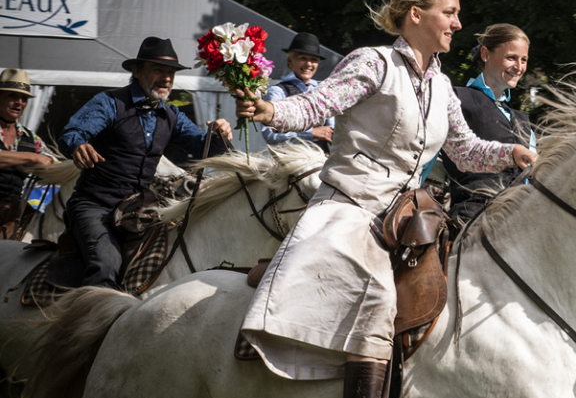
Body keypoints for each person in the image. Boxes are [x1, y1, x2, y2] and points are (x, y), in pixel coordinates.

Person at [233, 0, 538, 398]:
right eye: (450, 12)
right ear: (415, 15)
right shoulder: (372, 62)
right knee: (377, 299)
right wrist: (270, 109)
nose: (458, 24)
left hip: (408, 215)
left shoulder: (441, 84)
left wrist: (512, 150)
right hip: (349, 206)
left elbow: (464, 149)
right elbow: (317, 104)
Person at [58, 36, 233, 289]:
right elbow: (72, 133)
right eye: (159, 70)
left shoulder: (171, 114)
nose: (166, 78)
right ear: (137, 71)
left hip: (139, 209)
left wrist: (220, 134)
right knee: (106, 264)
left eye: (171, 72)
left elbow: (203, 146)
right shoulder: (110, 103)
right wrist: (78, 145)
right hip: (95, 206)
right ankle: (89, 326)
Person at [442, 24, 535, 223]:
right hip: (472, 220)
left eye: (524, 60)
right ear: (485, 54)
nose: (518, 67)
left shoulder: (523, 120)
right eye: (511, 57)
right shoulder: (456, 99)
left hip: (521, 221)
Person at [0, 68, 55, 239]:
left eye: (24, 99)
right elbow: (38, 157)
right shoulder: (32, 149)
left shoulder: (30, 137)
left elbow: (51, 163)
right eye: (12, 96)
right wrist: (32, 157)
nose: (19, 102)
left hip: (12, 208)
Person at [260, 32, 334, 154]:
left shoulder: (323, 90)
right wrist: (311, 133)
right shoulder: (278, 92)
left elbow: (333, 127)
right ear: (290, 61)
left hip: (323, 160)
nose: (309, 64)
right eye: (303, 58)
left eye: (314, 60)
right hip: (292, 164)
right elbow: (270, 135)